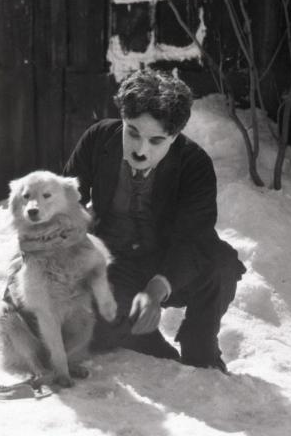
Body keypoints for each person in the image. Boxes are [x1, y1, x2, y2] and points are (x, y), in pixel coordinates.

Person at [62, 70, 246, 372]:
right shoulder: (98, 139)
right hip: (116, 262)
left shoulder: (194, 165)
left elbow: (194, 239)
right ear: (122, 120)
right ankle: (145, 340)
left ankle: (200, 345)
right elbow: (65, 203)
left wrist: (156, 289)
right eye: (132, 132)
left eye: (156, 140)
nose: (140, 149)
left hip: (169, 262)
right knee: (92, 329)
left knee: (221, 264)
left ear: (174, 138)